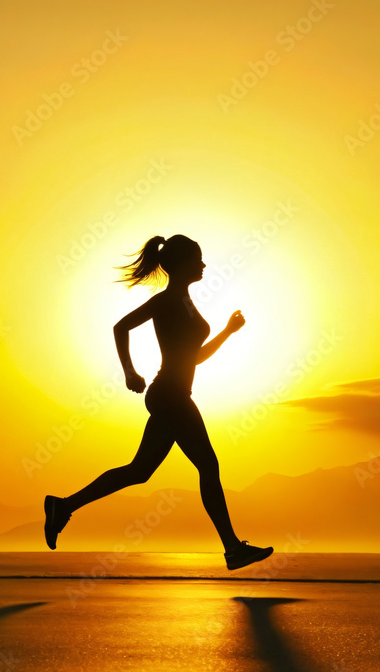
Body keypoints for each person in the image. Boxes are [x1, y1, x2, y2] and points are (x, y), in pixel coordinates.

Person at [43, 234, 273, 570]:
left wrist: (227, 332)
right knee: (208, 465)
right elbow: (121, 327)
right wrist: (129, 372)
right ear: (182, 265)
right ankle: (233, 548)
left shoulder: (185, 301)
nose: (205, 265)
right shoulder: (166, 301)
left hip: (175, 395)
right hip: (169, 395)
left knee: (139, 471)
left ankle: (63, 506)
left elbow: (194, 358)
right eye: (199, 260)